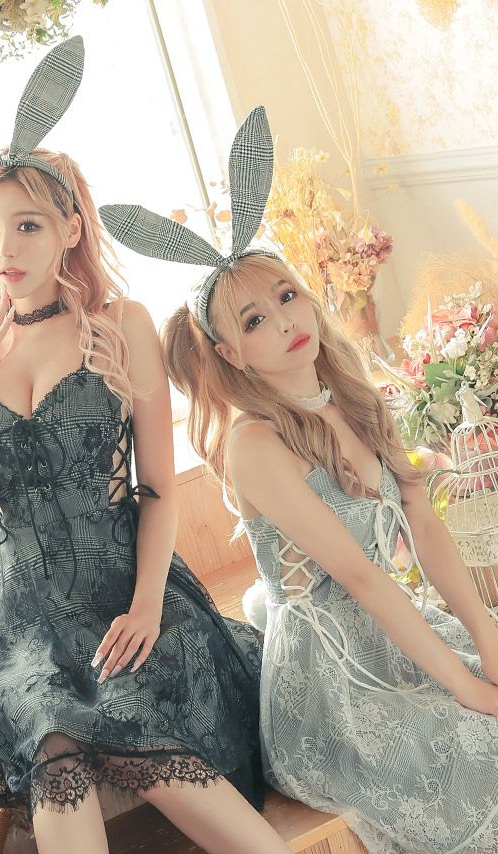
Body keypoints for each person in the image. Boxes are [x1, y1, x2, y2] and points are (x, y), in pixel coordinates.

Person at [0, 42, 290, 854]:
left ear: (70, 229)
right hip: (23, 611)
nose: (6, 248)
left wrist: (146, 605)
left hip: (122, 584)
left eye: (27, 226)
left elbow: (158, 488)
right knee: (54, 747)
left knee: (135, 731)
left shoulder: (120, 325)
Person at [100, 107, 498, 853]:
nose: (284, 321)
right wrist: (468, 687)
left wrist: (486, 638)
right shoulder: (254, 444)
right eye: (253, 320)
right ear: (231, 354)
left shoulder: (351, 396)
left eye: (287, 296)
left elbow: (424, 520)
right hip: (331, 684)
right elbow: (363, 580)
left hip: (400, 634)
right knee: (481, 754)